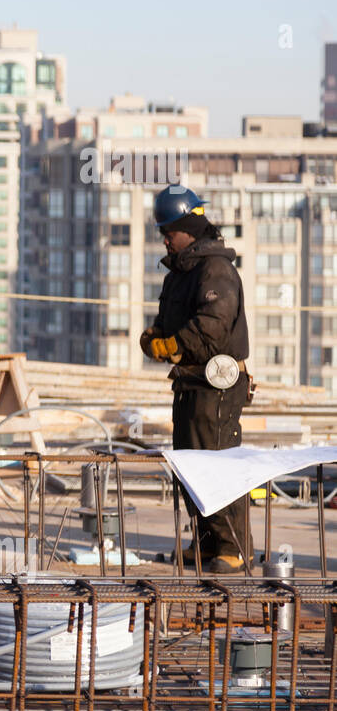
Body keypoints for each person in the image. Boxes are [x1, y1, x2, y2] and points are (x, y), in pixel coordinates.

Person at [141, 185, 251, 574]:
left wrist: (174, 342)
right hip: (189, 381)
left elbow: (214, 326)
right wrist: (156, 337)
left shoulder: (214, 269)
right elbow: (170, 320)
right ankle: (205, 542)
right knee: (192, 465)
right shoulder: (181, 272)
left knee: (216, 462)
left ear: (189, 227)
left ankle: (232, 547)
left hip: (215, 385)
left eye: (169, 230)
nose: (165, 238)